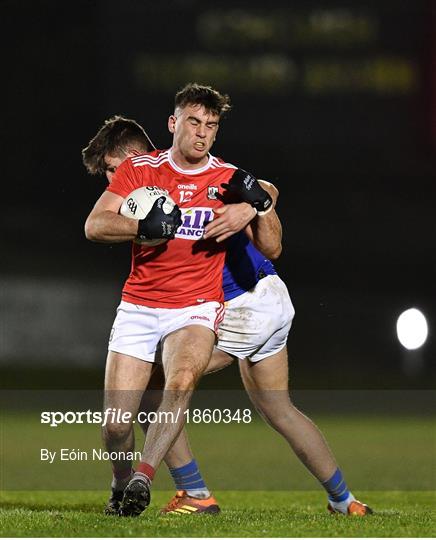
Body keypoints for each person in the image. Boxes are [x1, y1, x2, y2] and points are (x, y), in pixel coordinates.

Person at [83, 110, 372, 517]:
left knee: (153, 392)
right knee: (279, 408)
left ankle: (195, 494)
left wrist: (251, 208)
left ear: (136, 156)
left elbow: (262, 186)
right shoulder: (150, 192)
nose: (113, 182)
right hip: (267, 299)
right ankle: (344, 501)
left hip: (244, 304)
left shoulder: (185, 179)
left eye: (113, 170)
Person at [83, 83, 278, 517]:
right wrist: (144, 228)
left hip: (196, 307)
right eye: (194, 122)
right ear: (173, 124)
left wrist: (255, 208)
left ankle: (143, 478)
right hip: (139, 306)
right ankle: (120, 482)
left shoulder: (227, 179)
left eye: (211, 125)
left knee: (181, 379)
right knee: (115, 426)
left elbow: (273, 241)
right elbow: (95, 225)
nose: (202, 133)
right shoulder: (141, 170)